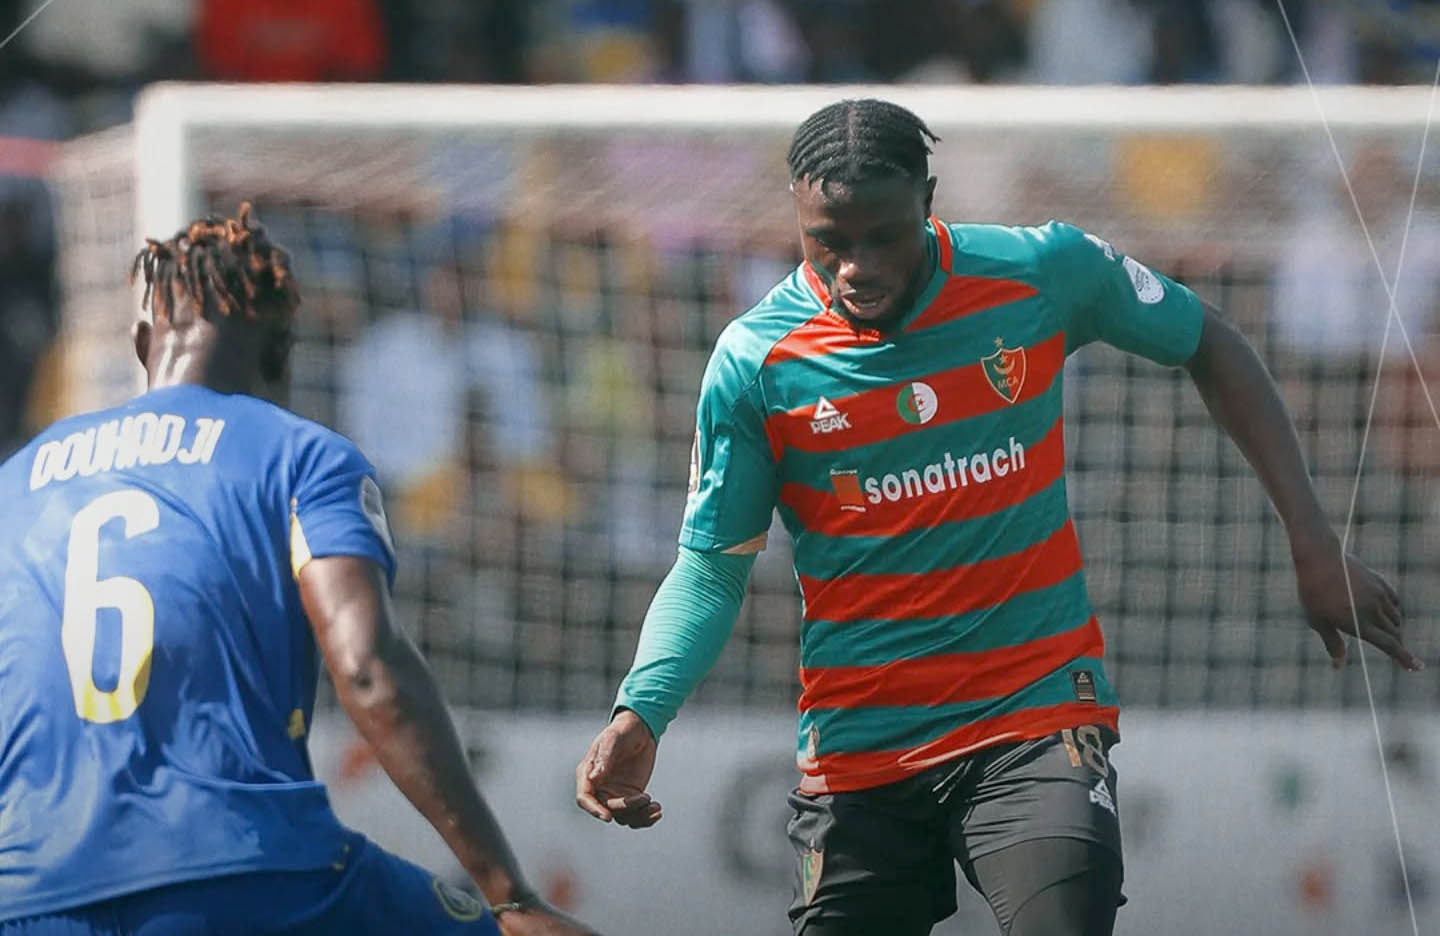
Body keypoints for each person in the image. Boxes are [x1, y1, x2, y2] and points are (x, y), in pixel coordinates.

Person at [575, 99, 1423, 936]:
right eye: (827, 241)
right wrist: (641, 708)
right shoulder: (756, 361)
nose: (856, 267)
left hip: (1035, 716)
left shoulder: (1038, 270)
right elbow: (713, 566)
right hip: (860, 747)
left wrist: (1313, 542)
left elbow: (1207, 340)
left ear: (929, 201)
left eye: (884, 236)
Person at [0, 205, 596, 936]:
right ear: (282, 357)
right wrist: (510, 895)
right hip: (242, 873)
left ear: (142, 343)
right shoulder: (300, 456)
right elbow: (368, 671)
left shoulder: (16, 481)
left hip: (28, 894)